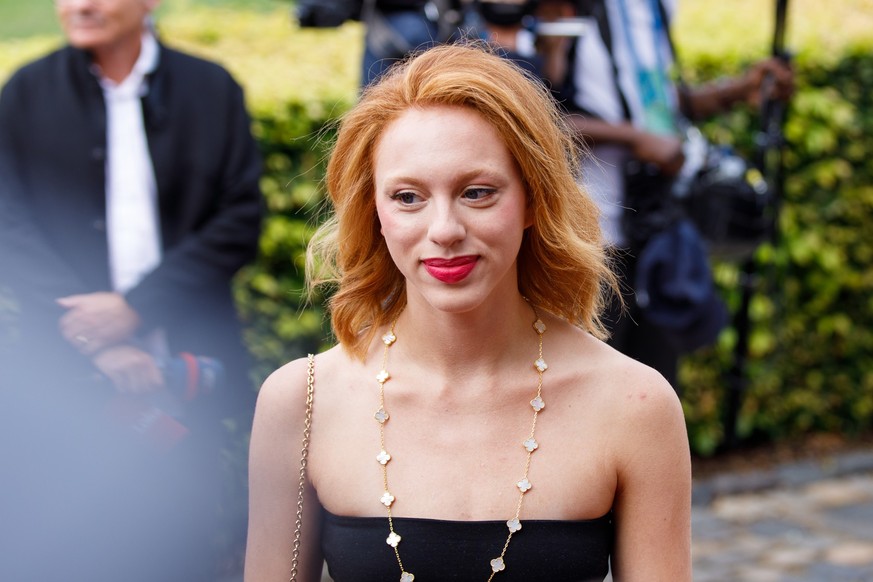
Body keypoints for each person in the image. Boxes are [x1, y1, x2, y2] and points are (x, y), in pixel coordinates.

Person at [245, 43, 691, 581]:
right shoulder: (303, 402)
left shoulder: (633, 404)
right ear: (374, 212)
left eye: (477, 193)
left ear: (532, 199)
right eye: (408, 197)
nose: (444, 231)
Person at [0, 0, 262, 579]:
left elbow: (240, 218)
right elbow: (8, 226)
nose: (80, 6)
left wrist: (135, 310)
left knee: (188, 542)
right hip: (62, 373)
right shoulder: (24, 93)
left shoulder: (211, 89)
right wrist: (99, 338)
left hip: (191, 364)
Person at [562, 0, 793, 388]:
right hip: (590, 238)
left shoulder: (654, 8)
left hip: (653, 230)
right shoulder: (565, 10)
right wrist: (636, 140)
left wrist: (737, 91)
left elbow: (656, 104)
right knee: (591, 392)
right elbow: (531, 114)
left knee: (655, 386)